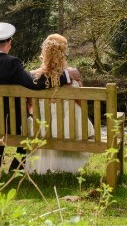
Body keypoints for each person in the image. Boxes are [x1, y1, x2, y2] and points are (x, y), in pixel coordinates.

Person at [0, 23, 70, 174]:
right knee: (24, 124)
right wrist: (65, 76)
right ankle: (16, 169)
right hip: (12, 125)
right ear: (9, 44)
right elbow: (33, 84)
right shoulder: (11, 63)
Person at [27, 33, 95, 174]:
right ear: (63, 53)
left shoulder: (34, 78)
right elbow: (82, 105)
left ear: (44, 52)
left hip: (43, 130)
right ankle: (68, 170)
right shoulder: (72, 77)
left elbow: (31, 107)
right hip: (71, 131)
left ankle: (46, 170)